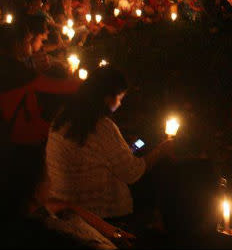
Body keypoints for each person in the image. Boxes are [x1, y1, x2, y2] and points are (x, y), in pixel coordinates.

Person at [47, 66, 173, 219]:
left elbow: (94, 155)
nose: (120, 104)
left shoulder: (61, 117)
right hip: (101, 215)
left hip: (65, 206)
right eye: (119, 98)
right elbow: (132, 173)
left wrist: (125, 151)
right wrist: (162, 150)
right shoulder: (102, 127)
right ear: (107, 97)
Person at [0, 145, 119, 249]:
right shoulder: (44, 238)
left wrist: (69, 206)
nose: (51, 181)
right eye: (47, 175)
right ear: (35, 188)